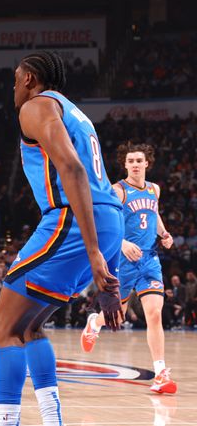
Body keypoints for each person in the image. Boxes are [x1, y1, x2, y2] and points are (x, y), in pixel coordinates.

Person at [0, 51, 124, 426]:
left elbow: (72, 168)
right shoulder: (76, 113)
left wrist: (93, 253)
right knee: (29, 327)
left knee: (2, 325)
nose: (12, 89)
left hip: (70, 218)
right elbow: (96, 184)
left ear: (29, 78)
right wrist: (106, 267)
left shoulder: (36, 105)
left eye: (14, 80)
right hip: (104, 218)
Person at [80, 142, 176, 394]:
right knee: (117, 316)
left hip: (149, 259)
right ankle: (95, 323)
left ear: (147, 163)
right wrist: (121, 243)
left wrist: (164, 234)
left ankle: (160, 373)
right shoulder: (117, 190)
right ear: (124, 164)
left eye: (139, 160)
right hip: (123, 260)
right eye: (130, 161)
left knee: (154, 314)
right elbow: (103, 222)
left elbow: (154, 216)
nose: (135, 164)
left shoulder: (155, 189)